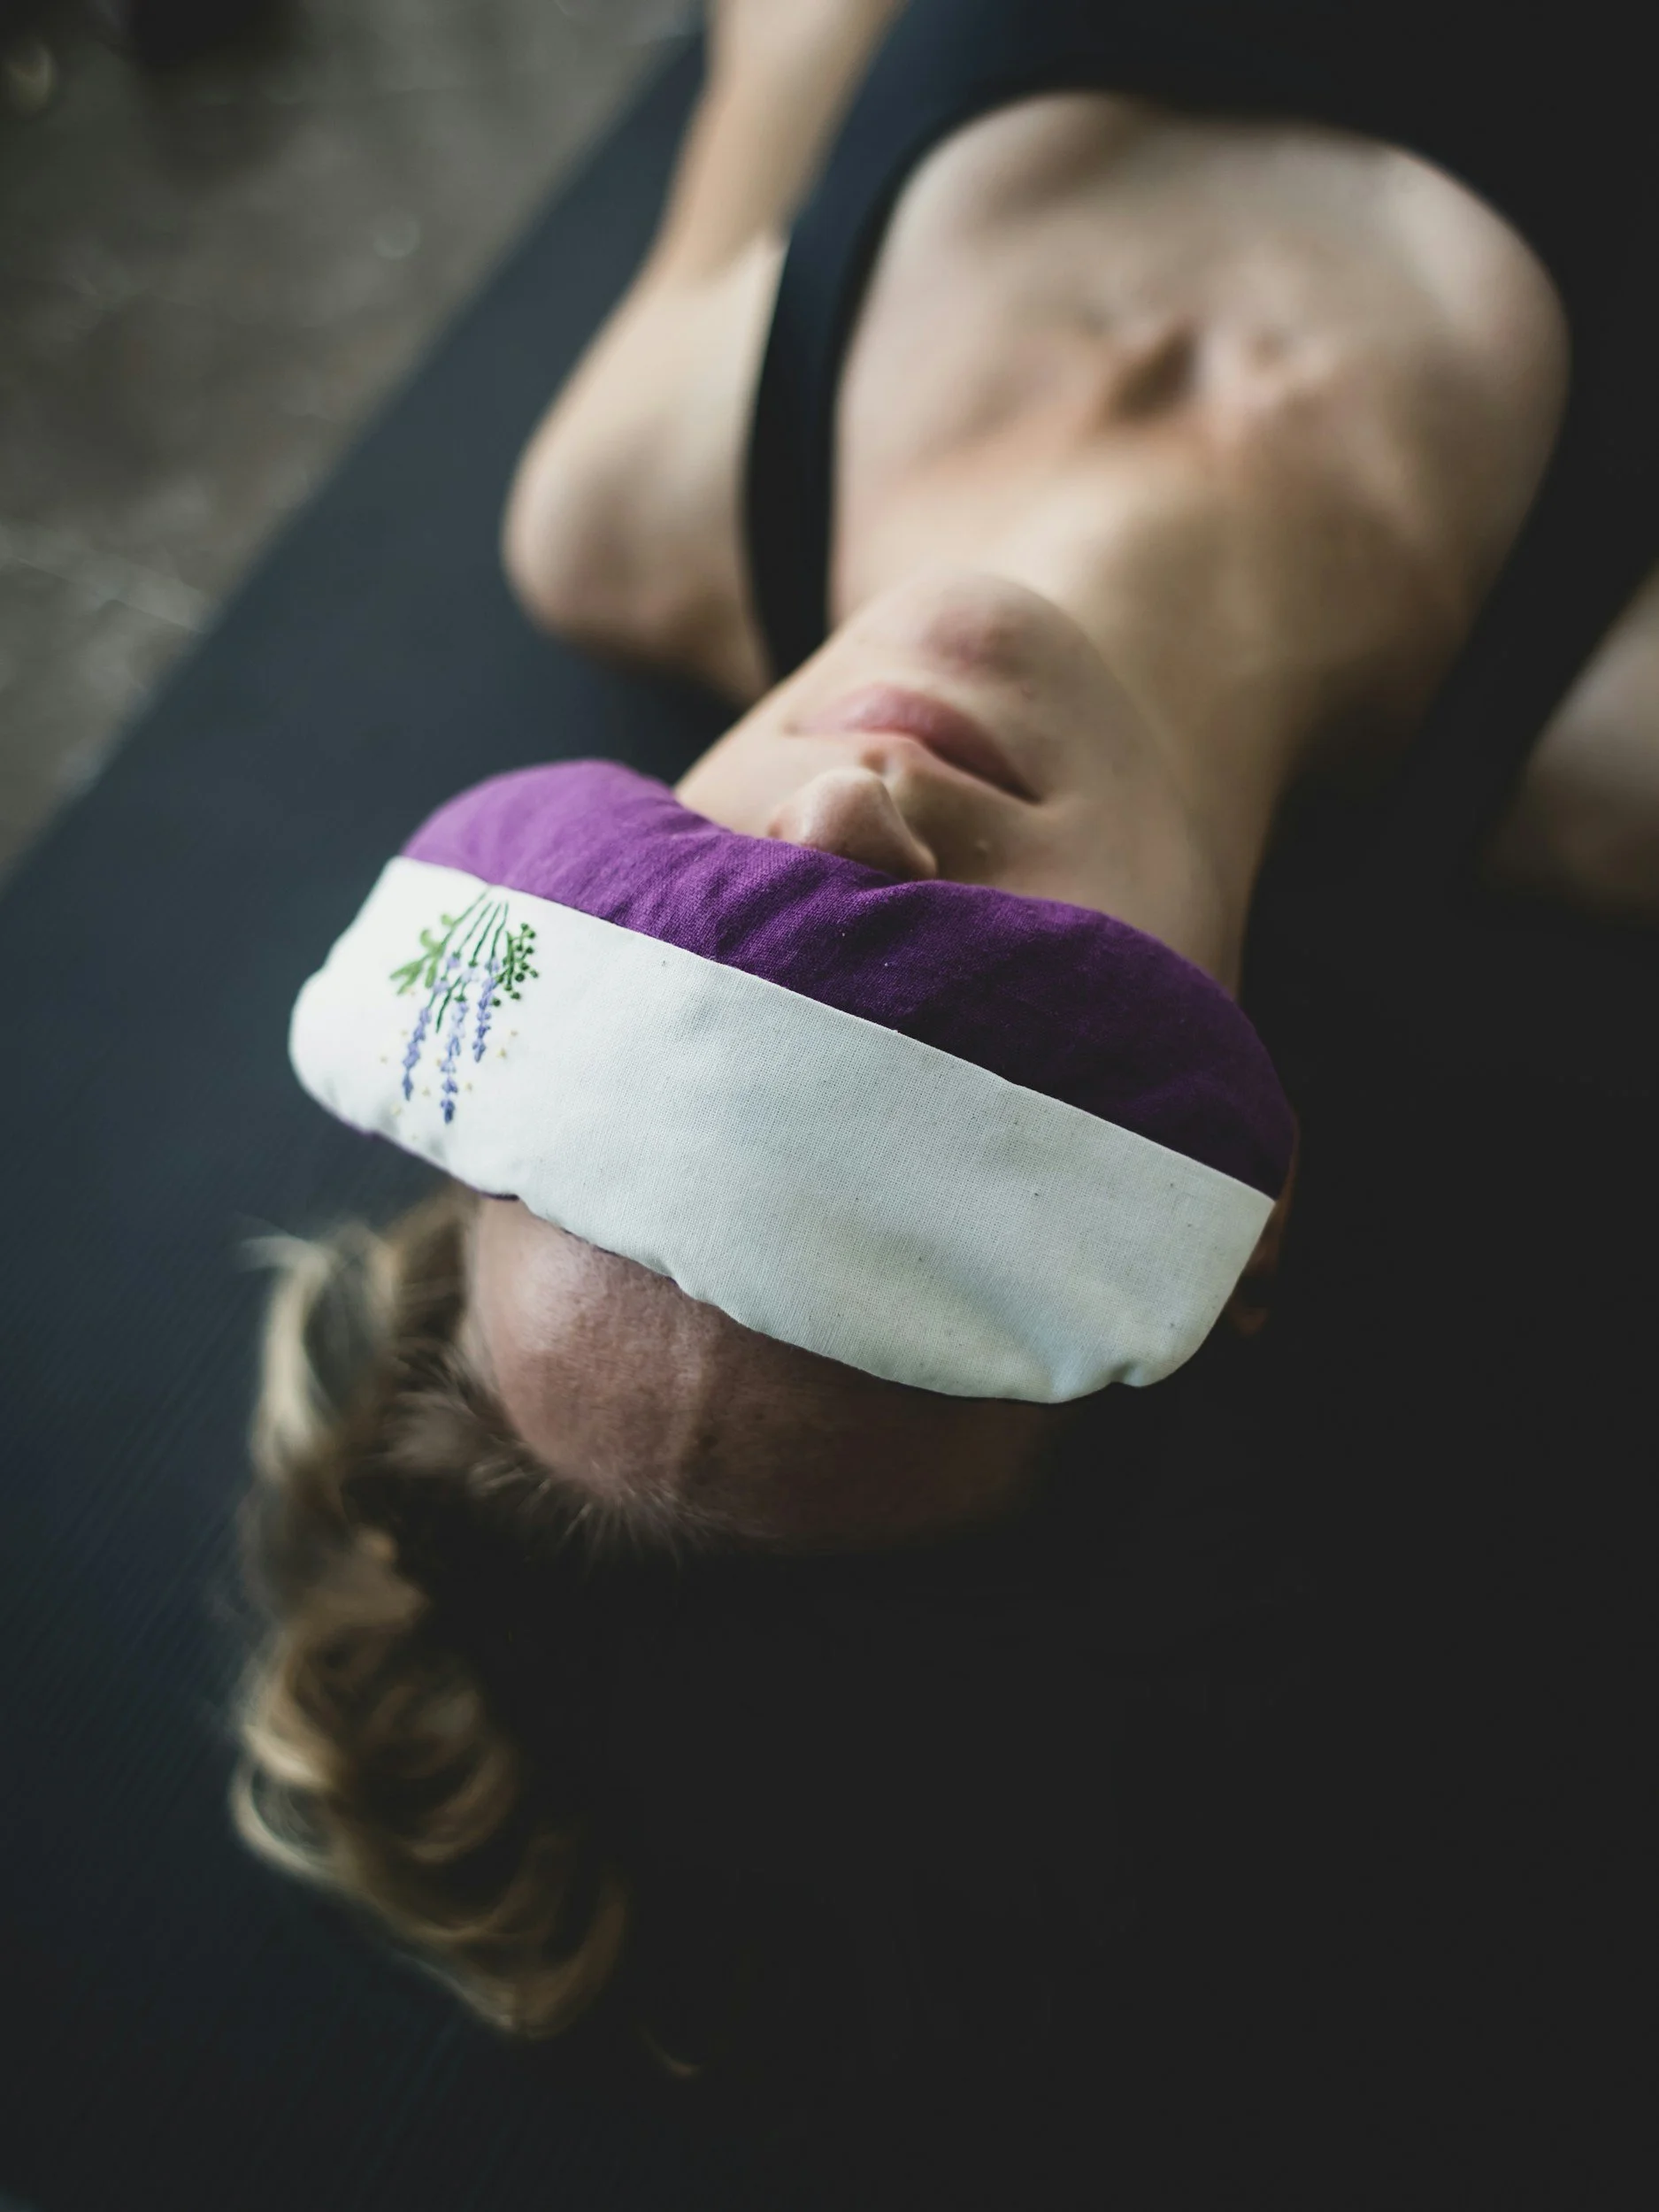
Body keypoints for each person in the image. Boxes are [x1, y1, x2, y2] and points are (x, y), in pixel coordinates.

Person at [231, 0, 1659, 2083]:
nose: (836, 817)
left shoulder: (636, 491)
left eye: (672, 1022)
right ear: (1224, 1256)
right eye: (907, 1099)